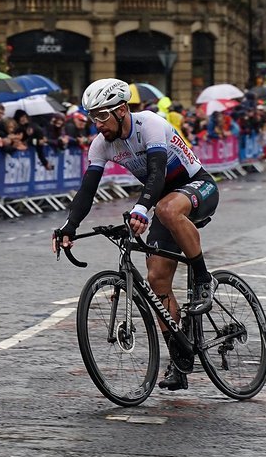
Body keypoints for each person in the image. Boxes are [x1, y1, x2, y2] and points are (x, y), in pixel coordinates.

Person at [51, 78, 220, 391]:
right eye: (93, 117)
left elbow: (156, 175)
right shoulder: (101, 145)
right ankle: (180, 358)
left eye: (103, 116)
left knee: (167, 210)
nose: (98, 124)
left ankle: (203, 278)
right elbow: (87, 190)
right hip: (162, 200)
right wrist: (69, 226)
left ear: (122, 110)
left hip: (199, 187)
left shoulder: (151, 125)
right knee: (157, 282)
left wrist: (142, 208)